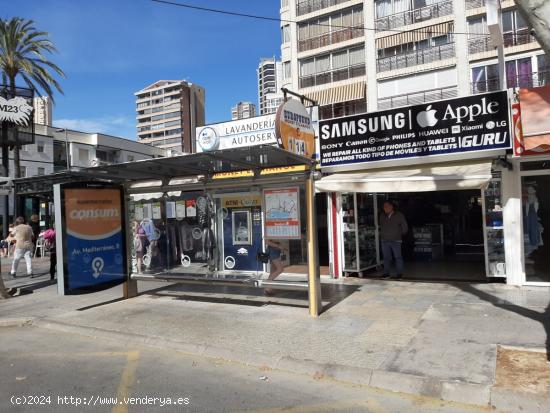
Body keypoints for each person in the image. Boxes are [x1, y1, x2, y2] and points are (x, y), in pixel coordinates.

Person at [379, 200, 408, 280]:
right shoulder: (382, 216)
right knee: (386, 258)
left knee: (398, 257)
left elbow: (404, 227)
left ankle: (399, 274)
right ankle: (386, 273)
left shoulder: (399, 215)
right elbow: (381, 225)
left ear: (391, 206)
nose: (385, 208)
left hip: (396, 240)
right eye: (384, 206)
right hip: (384, 240)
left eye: (387, 206)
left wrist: (399, 234)